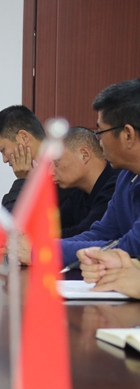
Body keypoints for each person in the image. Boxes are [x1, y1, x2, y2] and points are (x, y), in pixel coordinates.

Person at [61, 79, 140, 266]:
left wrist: (45, 251)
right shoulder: (126, 177)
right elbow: (101, 234)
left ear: (127, 135)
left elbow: (131, 247)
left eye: (101, 132)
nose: (99, 142)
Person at [52, 127, 119, 238]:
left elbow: (87, 234)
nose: (51, 171)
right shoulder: (79, 192)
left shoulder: (116, 185)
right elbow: (54, 225)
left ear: (84, 155)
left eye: (56, 161)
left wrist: (38, 239)